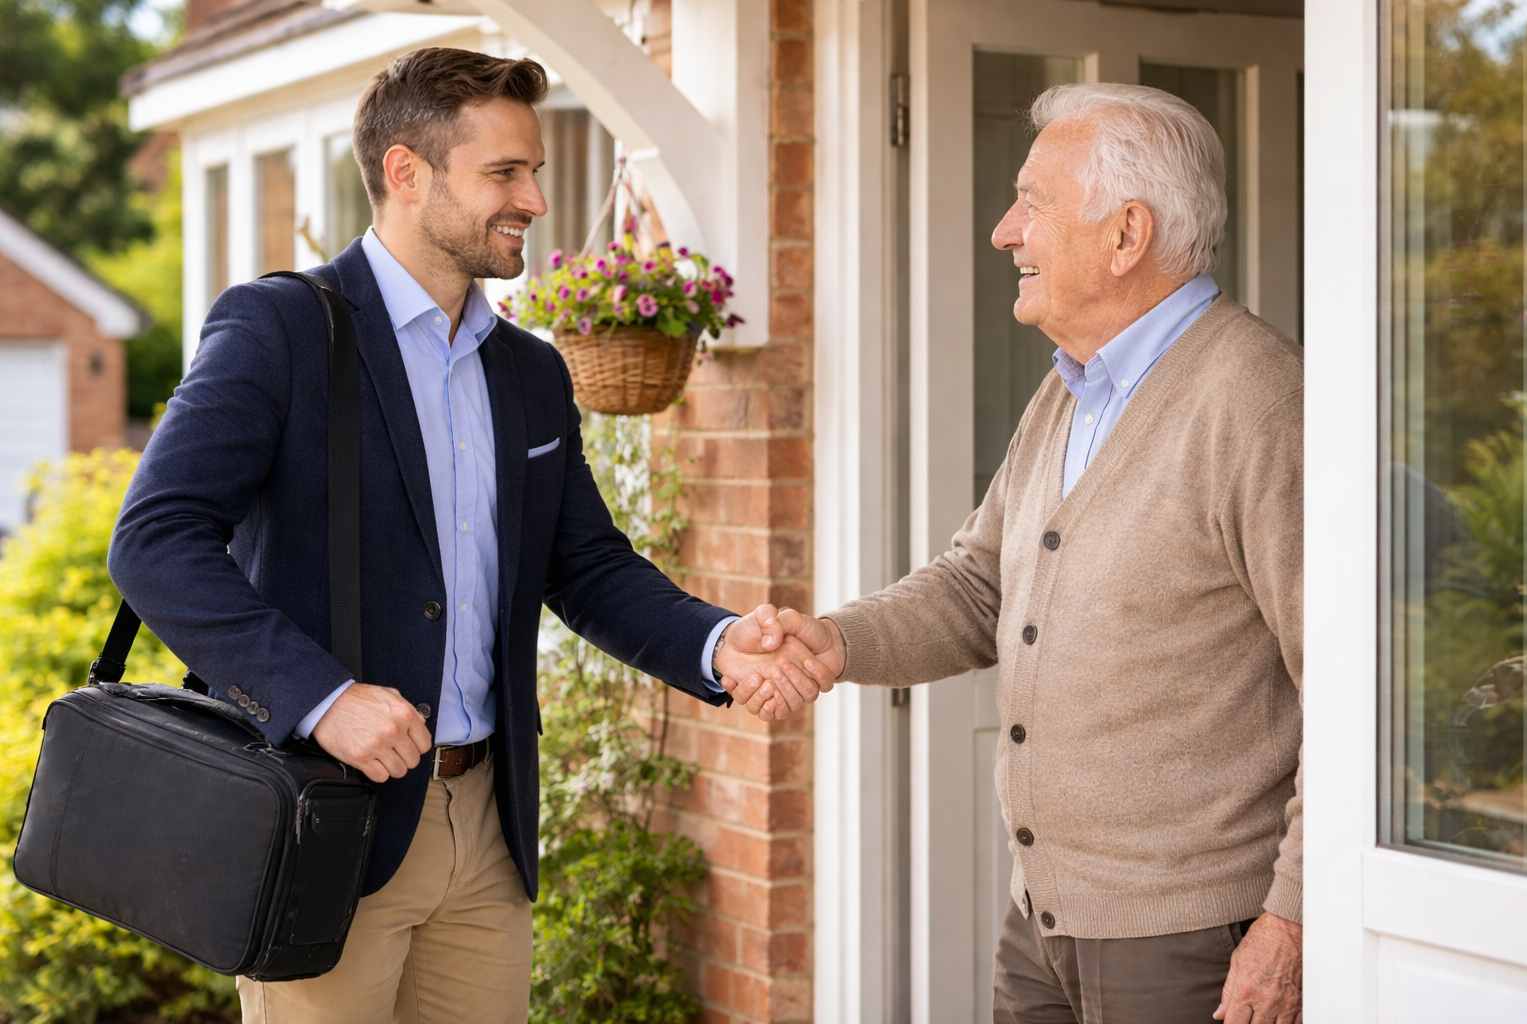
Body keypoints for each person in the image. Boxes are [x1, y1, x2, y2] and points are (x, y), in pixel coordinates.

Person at [108, 46, 827, 1024]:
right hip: (327, 819)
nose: (533, 197)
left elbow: (585, 566)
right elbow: (155, 540)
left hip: (488, 830)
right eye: (505, 172)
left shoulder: (529, 371)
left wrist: (715, 640)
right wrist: (320, 699)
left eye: (533, 171)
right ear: (407, 173)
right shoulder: (281, 329)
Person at [728, 83, 1304, 1024]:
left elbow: (1348, 688)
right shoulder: (1072, 392)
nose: (1005, 231)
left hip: (1193, 939)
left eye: (1032, 202)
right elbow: (977, 585)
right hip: (1044, 918)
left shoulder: (1257, 401)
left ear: (1126, 236)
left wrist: (1293, 918)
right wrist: (837, 643)